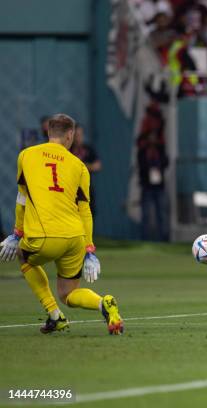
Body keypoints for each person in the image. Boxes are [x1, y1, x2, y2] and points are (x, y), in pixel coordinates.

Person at [0, 114, 123, 335]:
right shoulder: (79, 166)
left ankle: (54, 315)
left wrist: (17, 233)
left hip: (43, 235)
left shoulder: (26, 156)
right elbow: (85, 211)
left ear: (48, 132)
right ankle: (102, 303)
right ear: (71, 135)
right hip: (74, 238)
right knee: (68, 294)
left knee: (21, 254)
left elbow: (22, 200)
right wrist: (89, 249)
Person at [70, 124, 102, 217]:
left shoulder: (88, 149)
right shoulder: (68, 150)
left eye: (80, 135)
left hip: (86, 187)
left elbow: (98, 165)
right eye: (76, 135)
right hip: (70, 188)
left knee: (89, 213)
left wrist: (84, 167)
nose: (78, 138)